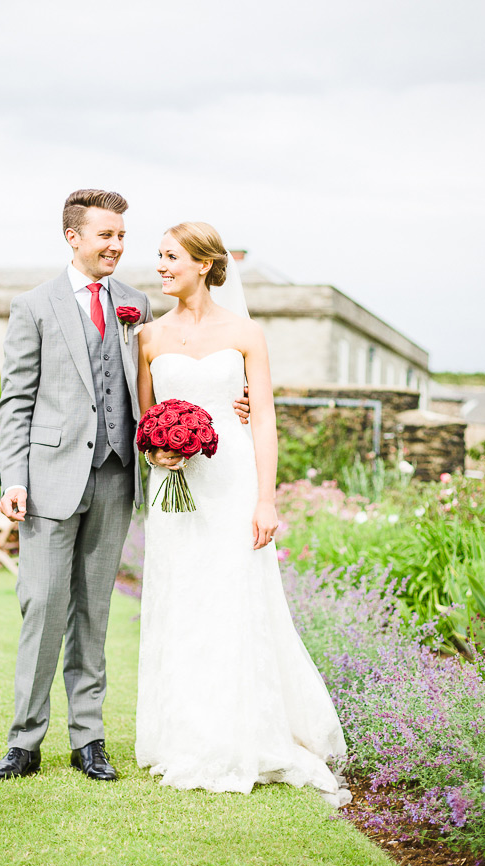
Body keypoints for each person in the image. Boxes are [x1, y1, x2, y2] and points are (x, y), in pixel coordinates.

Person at [0, 191, 249, 782]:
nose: (117, 246)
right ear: (73, 237)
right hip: (48, 482)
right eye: (106, 235)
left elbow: (170, 372)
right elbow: (15, 402)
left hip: (115, 479)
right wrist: (13, 478)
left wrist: (237, 402)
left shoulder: (136, 305)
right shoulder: (33, 306)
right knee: (43, 608)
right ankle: (24, 742)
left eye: (121, 236)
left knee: (95, 613)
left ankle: (90, 741)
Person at [135, 221, 349, 801]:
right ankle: (184, 732)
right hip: (175, 492)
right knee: (181, 598)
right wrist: (159, 450)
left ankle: (243, 730)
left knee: (233, 598)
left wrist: (265, 498)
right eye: (158, 256)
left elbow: (265, 420)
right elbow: (144, 419)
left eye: (170, 256)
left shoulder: (246, 332)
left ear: (204, 264)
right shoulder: (148, 337)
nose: (160, 266)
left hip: (232, 484)